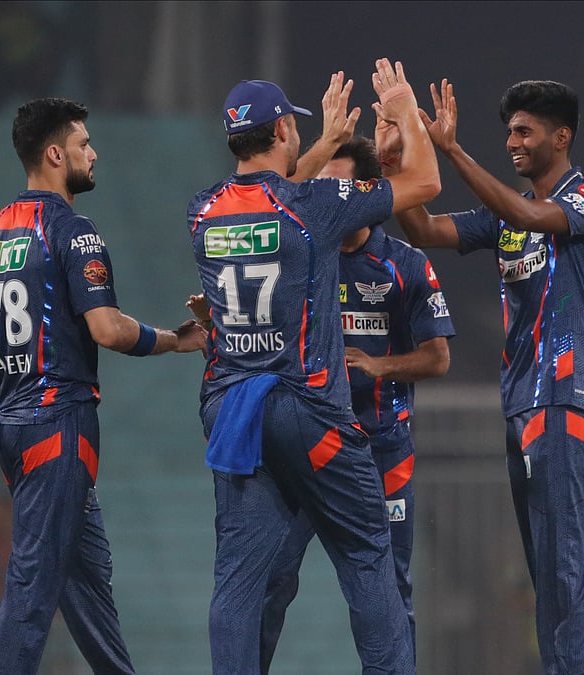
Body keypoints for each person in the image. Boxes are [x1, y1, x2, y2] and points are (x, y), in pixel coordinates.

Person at [187, 60, 440, 674]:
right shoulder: (316, 206)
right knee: (367, 556)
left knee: (239, 581)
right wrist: (403, 108)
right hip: (309, 412)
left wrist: (324, 141)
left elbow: (267, 194)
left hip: (232, 410)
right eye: (293, 130)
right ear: (281, 133)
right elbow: (425, 185)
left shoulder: (203, 212)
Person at [0, 96, 207, 674]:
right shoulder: (72, 231)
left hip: (13, 431)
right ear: (57, 154)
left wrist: (18, 367)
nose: (94, 151)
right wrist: (174, 339)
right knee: (33, 588)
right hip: (59, 426)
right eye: (85, 143)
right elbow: (108, 330)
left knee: (86, 584)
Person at [383, 78, 584, 675]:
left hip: (569, 397)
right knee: (545, 565)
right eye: (509, 131)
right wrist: (400, 164)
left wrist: (452, 150)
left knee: (564, 562)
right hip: (523, 405)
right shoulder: (509, 217)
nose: (512, 141)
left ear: (560, 136)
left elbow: (524, 212)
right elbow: (425, 231)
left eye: (524, 131)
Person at [253, 135, 454, 670]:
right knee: (270, 583)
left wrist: (378, 365)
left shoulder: (405, 264)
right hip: (309, 444)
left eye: (340, 188)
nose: (330, 198)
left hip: (382, 447)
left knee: (390, 587)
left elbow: (438, 359)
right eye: (323, 187)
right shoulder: (300, 253)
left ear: (367, 192)